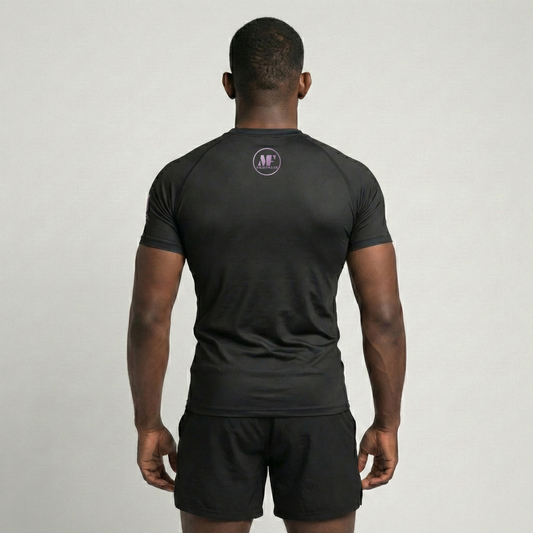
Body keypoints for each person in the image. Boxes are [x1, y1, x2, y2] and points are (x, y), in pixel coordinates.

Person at [127, 17, 406, 533]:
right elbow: (383, 317)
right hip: (317, 407)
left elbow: (149, 316)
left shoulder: (179, 179)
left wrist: (148, 423)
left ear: (229, 84)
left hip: (219, 406)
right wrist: (386, 423)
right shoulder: (352, 180)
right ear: (304, 83)